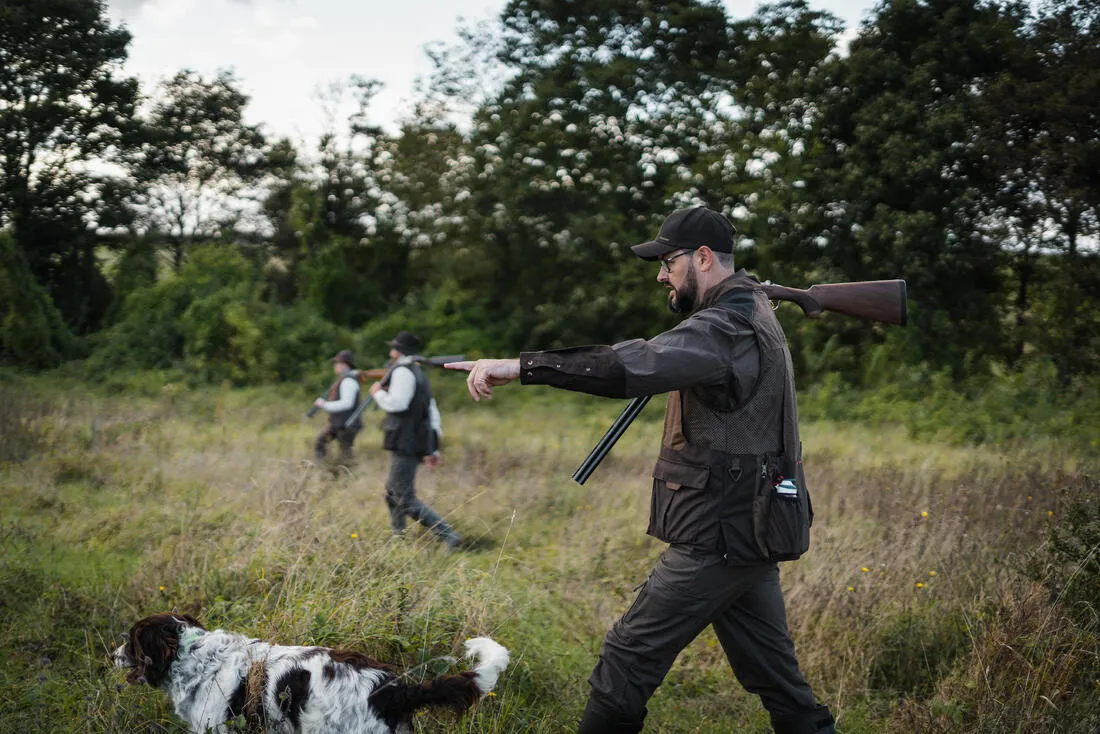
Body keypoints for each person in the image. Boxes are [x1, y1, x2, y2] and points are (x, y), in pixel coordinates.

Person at [447, 207, 836, 734]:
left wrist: (520, 367)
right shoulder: (749, 307)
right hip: (752, 526)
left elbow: (633, 365)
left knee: (626, 661)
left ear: (702, 258)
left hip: (721, 530)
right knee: (778, 682)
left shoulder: (727, 324)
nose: (660, 275)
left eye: (668, 262)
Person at [369, 331, 462, 551]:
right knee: (392, 494)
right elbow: (431, 412)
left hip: (405, 440)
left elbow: (398, 404)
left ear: (397, 350)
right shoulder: (418, 373)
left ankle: (449, 535)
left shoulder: (403, 372)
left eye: (392, 347)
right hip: (412, 439)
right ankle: (398, 541)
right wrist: (433, 448)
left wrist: (377, 393)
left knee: (402, 496)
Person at [313, 349, 363, 463]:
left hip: (347, 424)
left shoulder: (348, 381)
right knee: (321, 442)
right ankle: (325, 469)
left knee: (345, 454)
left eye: (337, 363)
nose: (335, 366)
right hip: (339, 423)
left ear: (344, 365)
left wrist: (324, 405)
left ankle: (345, 476)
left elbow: (346, 403)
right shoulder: (345, 379)